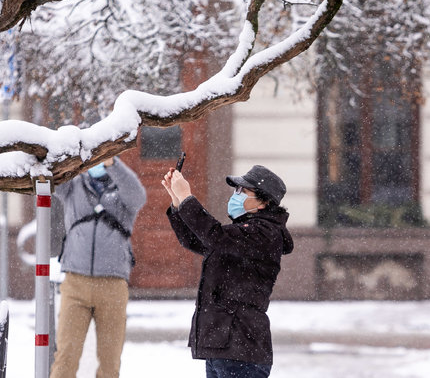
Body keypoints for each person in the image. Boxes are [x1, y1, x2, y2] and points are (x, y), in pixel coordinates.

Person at [161, 164, 294, 378]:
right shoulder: (241, 234)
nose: (236, 195)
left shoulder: (265, 234)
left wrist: (187, 198)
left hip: (241, 349)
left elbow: (214, 236)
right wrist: (178, 202)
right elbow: (196, 240)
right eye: (236, 190)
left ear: (264, 202)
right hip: (222, 348)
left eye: (243, 191)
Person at [50, 156, 146, 378]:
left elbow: (138, 197)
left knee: (110, 363)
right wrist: (73, 158)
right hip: (75, 283)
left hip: (112, 286)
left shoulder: (122, 189)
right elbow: (53, 179)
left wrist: (113, 163)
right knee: (66, 357)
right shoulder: (74, 186)